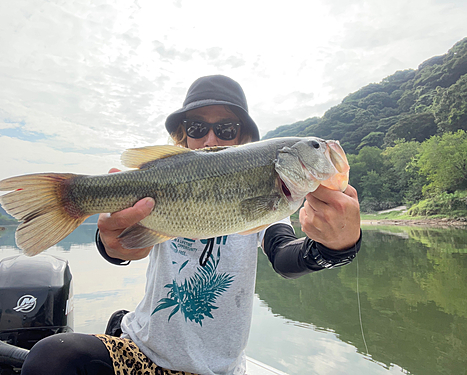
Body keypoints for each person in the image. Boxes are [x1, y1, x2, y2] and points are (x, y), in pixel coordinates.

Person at [21, 75, 361, 375]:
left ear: (244, 139)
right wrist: (111, 243)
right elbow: (127, 244)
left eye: (226, 129)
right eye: (198, 128)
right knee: (52, 357)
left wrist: (336, 248)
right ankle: (70, 195)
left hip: (218, 370)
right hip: (140, 353)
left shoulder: (272, 208)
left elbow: (286, 257)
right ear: (182, 138)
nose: (211, 138)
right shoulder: (164, 180)